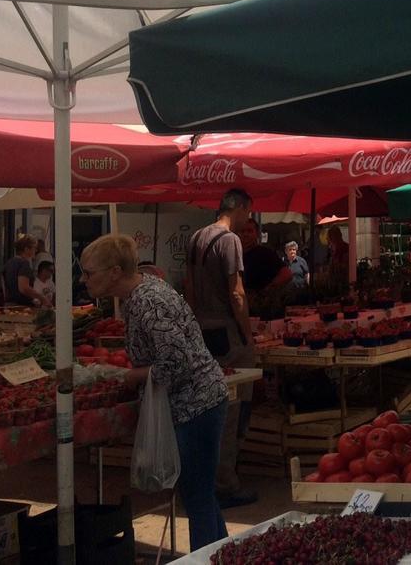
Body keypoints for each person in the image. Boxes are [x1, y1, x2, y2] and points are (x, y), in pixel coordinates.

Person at [81, 235, 229, 552]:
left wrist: (129, 377)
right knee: (200, 492)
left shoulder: (150, 303)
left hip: (196, 405)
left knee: (198, 496)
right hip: (191, 403)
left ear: (115, 272)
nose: (84, 280)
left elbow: (178, 363)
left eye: (89, 272)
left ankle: (208, 558)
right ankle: (225, 555)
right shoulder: (138, 296)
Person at [184, 188, 257, 508]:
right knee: (233, 408)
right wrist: (247, 333)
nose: (248, 219)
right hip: (227, 333)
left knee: (207, 406)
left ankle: (201, 477)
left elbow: (187, 285)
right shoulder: (230, 241)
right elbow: (237, 293)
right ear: (238, 208)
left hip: (202, 329)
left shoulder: (197, 237)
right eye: (248, 212)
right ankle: (225, 482)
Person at [238, 220, 291, 296]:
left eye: (250, 231)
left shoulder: (265, 253)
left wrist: (267, 290)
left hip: (259, 303)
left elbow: (286, 274)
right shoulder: (234, 254)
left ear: (257, 234)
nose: (246, 234)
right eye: (242, 231)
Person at [3, 235, 43, 307]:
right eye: (34, 248)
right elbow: (24, 288)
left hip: (8, 304)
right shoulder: (24, 263)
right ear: (26, 249)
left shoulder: (8, 263)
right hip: (22, 306)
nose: (36, 251)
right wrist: (42, 298)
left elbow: (4, 287)